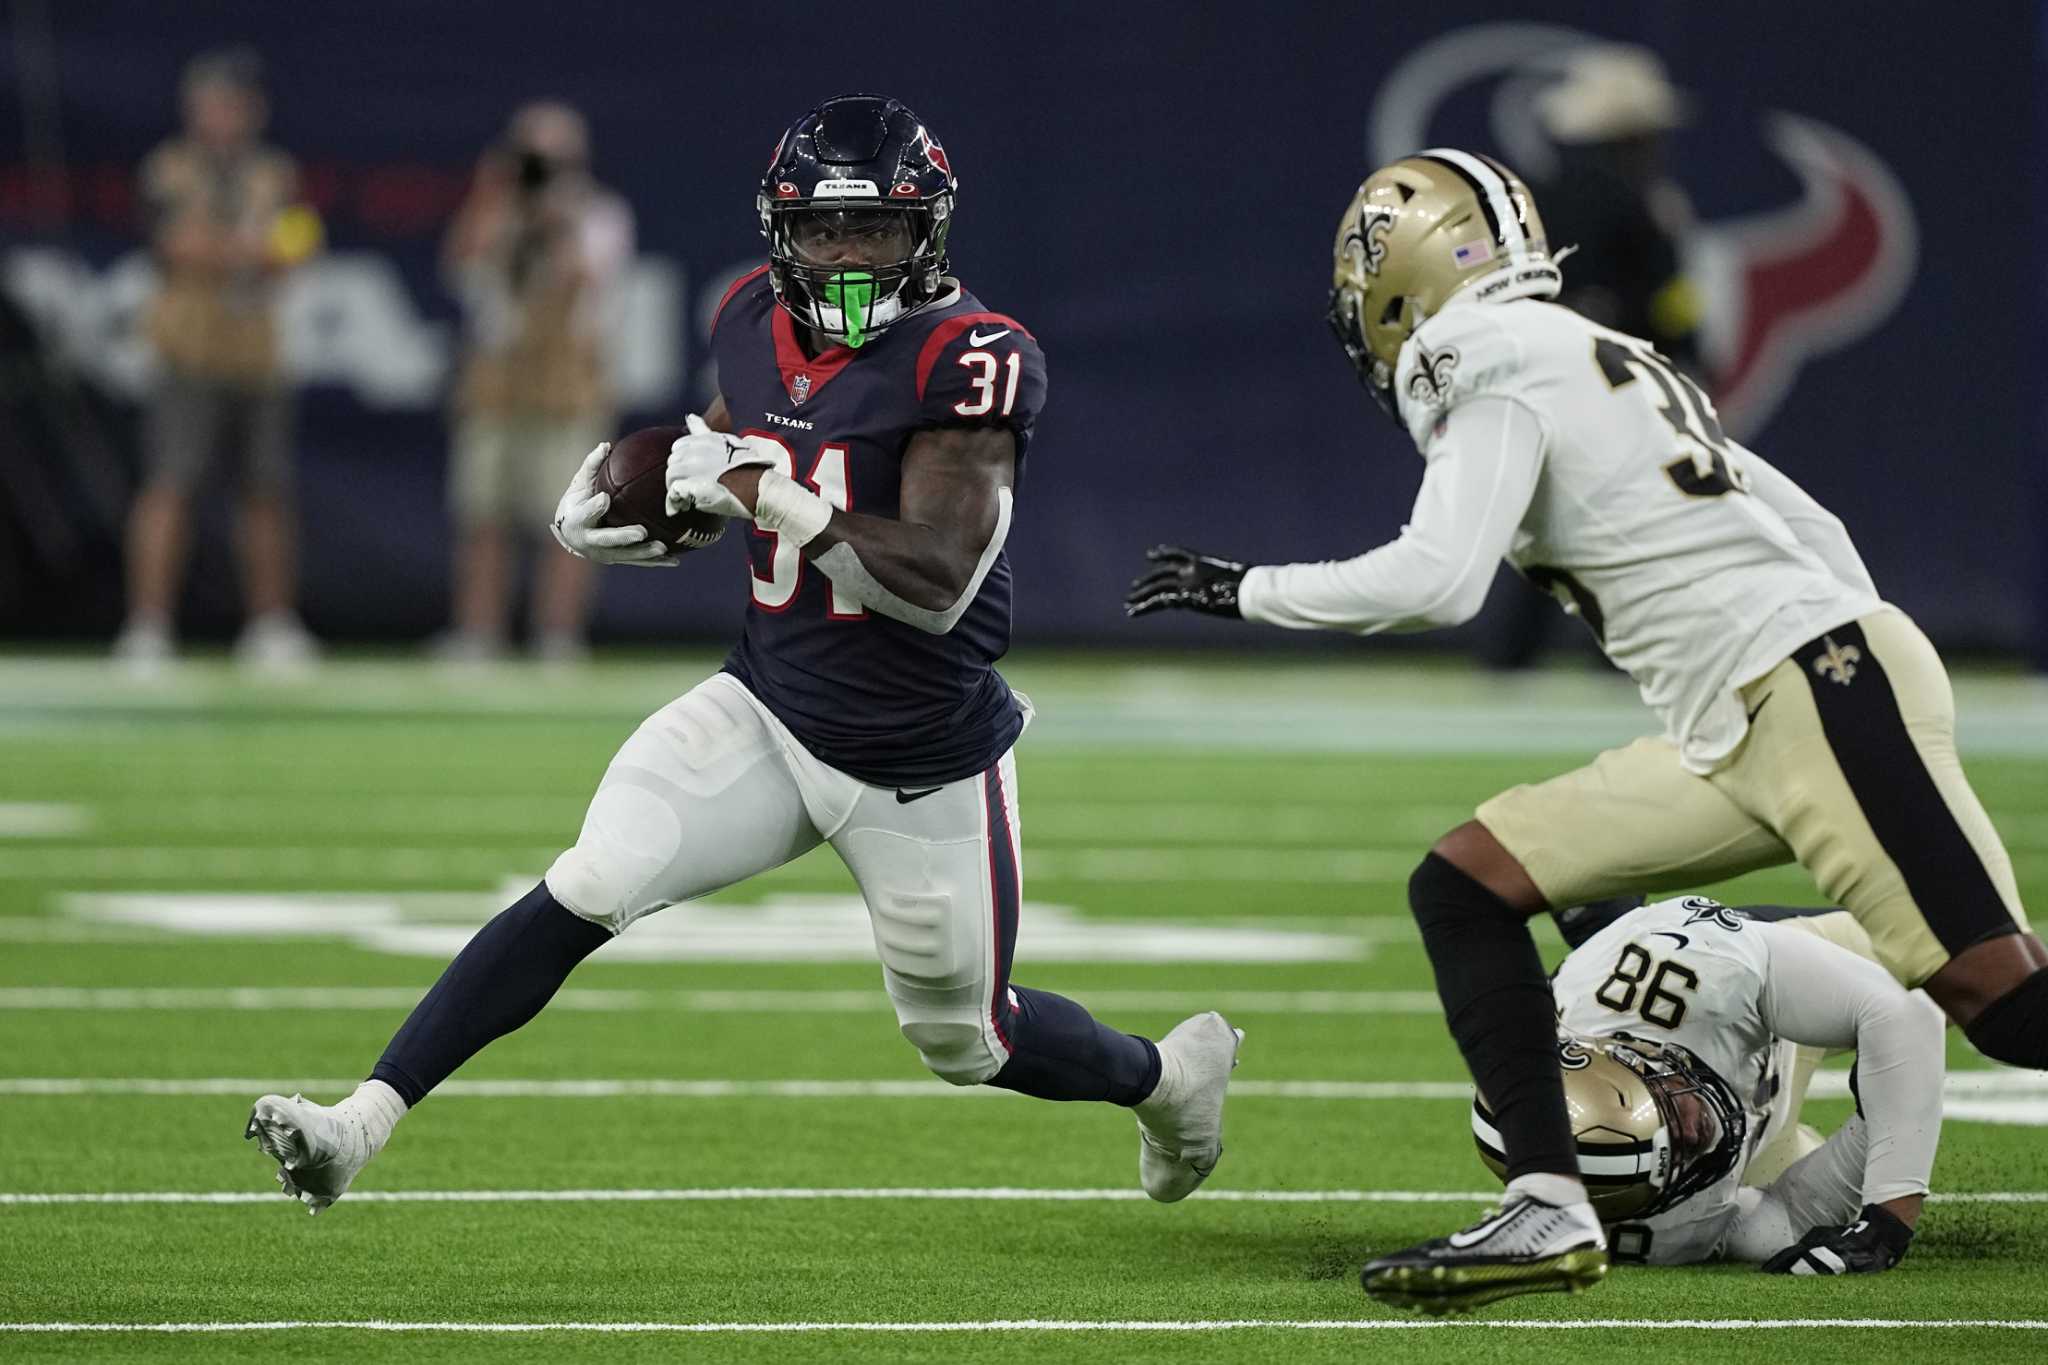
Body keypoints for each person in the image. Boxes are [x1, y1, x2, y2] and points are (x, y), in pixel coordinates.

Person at [247, 94, 1242, 1214]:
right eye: (824, 230)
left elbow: (936, 582)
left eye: (877, 230)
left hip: (917, 757)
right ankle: (359, 1125)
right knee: (587, 882)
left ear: (929, 234)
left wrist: (770, 498)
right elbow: (727, 446)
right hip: (766, 709)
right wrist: (647, 502)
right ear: (784, 232)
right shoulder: (747, 320)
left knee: (968, 1038)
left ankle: (1168, 1082)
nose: (849, 254)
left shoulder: (971, 359)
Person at [1125, 149, 2043, 1311]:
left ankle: (1548, 1205)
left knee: (2004, 1006)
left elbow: (1442, 581)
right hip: (1758, 710)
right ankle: (1549, 1208)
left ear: (1397, 276)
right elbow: (1802, 515)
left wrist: (1243, 590)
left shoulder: (1473, 351)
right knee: (1465, 883)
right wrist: (1851, 648)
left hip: (1804, 688)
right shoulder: (1592, 349)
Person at [1468, 897, 1943, 1280]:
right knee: (1784, 1219)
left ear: (1635, 1061)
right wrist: (1868, 1124)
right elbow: (1790, 1218)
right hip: (1759, 1107)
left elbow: (1910, 1015)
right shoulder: (1653, 1231)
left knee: (1961, 972)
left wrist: (1887, 1222)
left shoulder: (1696, 972)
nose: (1698, 1134)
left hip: (1745, 1009)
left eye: (1672, 1117)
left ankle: (1602, 912)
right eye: (1677, 1159)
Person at [1479, 46, 1704, 672]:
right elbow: (1671, 302)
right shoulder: (1644, 205)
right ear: (1631, 137)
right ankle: (1616, 653)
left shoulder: (1536, 198)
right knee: (1627, 523)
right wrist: (1688, 361)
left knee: (1551, 524)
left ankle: (1509, 658)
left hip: (1539, 383)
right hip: (1617, 389)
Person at [114, 47, 322, 674]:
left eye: (233, 106)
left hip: (257, 355)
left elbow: (300, 241)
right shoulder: (169, 169)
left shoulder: (274, 172)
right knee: (170, 485)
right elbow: (174, 244)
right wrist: (249, 252)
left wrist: (257, 252)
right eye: (212, 106)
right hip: (188, 350)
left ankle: (270, 624)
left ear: (252, 112)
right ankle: (147, 626)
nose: (223, 118)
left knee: (266, 492)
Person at [436, 102, 635, 664]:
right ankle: (477, 635)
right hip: (497, 380)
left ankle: (557, 638)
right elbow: (459, 268)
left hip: (568, 381)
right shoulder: (495, 212)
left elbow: (585, 283)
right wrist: (494, 198)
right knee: (484, 514)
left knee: (570, 518)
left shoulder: (599, 214)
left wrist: (558, 221)